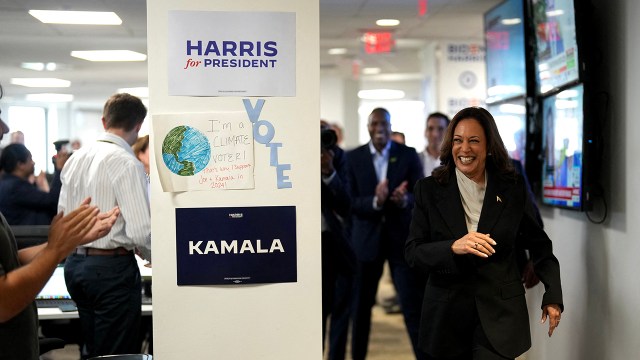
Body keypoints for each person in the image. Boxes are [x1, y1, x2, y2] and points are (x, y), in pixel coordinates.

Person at [405, 107, 563, 360]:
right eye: (458, 140)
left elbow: (539, 244)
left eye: (474, 141)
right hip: (446, 317)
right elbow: (413, 253)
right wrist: (453, 247)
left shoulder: (512, 188)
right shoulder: (428, 190)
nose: (464, 149)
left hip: (499, 316)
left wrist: (552, 294)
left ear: (489, 146)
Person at [0, 83, 120, 360]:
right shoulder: (14, 187)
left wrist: (68, 243)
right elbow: (4, 302)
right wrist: (54, 250)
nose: (4, 129)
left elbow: (11, 261)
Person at [58, 93, 151, 358]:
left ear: (103, 121)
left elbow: (62, 216)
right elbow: (140, 231)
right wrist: (156, 257)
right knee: (115, 353)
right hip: (111, 270)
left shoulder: (75, 158)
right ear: (138, 125)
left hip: (76, 267)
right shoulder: (126, 162)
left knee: (91, 349)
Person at [346, 108, 426, 360]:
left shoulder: (408, 154)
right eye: (375, 123)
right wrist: (375, 202)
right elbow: (350, 202)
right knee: (360, 310)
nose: (380, 128)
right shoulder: (353, 158)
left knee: (412, 308)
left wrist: (404, 199)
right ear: (368, 127)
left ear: (391, 127)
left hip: (400, 240)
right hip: (366, 243)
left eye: (385, 123)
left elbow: (419, 195)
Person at [320, 121, 355, 360]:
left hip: (337, 243)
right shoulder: (291, 153)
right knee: (316, 314)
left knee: (341, 312)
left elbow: (346, 204)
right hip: (307, 247)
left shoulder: (339, 157)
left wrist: (329, 172)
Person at [0, 143, 67, 225]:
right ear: (20, 165)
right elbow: (53, 201)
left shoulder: (7, 184)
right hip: (31, 236)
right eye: (30, 159)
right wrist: (60, 169)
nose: (33, 163)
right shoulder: (15, 187)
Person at [418, 112, 450, 177]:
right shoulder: (416, 159)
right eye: (430, 128)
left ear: (448, 132)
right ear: (425, 132)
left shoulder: (455, 161)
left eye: (440, 129)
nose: (435, 134)